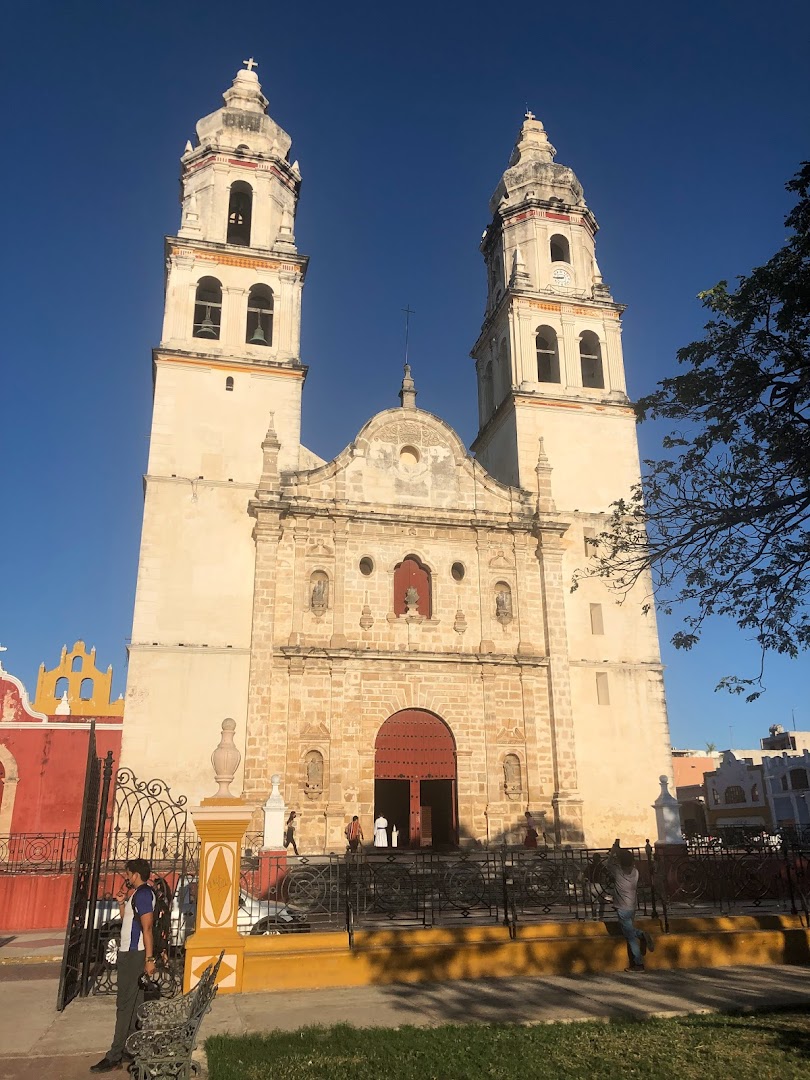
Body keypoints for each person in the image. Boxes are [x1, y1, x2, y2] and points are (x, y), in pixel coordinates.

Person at [90, 858, 156, 1072]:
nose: (126, 877)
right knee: (134, 1002)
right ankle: (130, 1047)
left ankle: (115, 1054)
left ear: (135, 874)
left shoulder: (144, 894)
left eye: (128, 874)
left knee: (124, 1004)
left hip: (135, 955)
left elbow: (147, 928)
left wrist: (149, 959)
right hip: (129, 952)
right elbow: (129, 922)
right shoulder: (136, 895)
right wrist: (121, 902)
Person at [608, 845, 654, 972]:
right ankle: (641, 934)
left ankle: (639, 963)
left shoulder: (618, 872)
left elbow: (608, 864)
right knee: (628, 931)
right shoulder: (635, 872)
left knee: (630, 937)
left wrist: (613, 853)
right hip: (632, 906)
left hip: (622, 908)